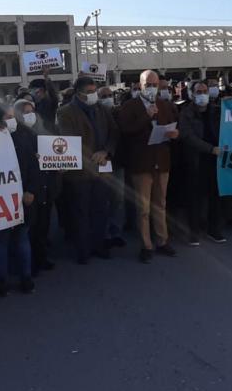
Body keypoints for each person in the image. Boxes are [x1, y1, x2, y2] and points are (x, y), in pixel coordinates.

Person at [118, 69, 180, 264]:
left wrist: (174, 134)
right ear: (140, 86)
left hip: (161, 162)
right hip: (141, 164)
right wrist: (146, 116)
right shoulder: (129, 107)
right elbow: (126, 131)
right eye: (148, 85)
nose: (152, 89)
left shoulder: (166, 106)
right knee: (143, 208)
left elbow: (173, 127)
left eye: (155, 85)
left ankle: (162, 240)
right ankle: (146, 244)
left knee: (160, 204)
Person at [58, 77, 119, 264]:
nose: (94, 95)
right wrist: (92, 156)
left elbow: (113, 132)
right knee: (81, 212)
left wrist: (106, 151)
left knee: (100, 209)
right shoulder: (65, 112)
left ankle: (99, 245)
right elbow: (68, 140)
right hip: (79, 173)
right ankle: (83, 250)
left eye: (95, 91)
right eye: (90, 92)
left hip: (102, 168)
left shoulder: (102, 109)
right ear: (79, 93)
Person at [0, 101, 36, 296]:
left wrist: (30, 190)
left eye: (13, 116)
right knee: (1, 241)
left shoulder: (25, 135)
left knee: (22, 238)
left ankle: (26, 278)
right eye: (7, 117)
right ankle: (2, 281)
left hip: (23, 197)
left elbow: (34, 165)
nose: (12, 120)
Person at [178, 81, 225, 245]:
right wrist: (210, 149)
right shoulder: (186, 113)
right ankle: (194, 231)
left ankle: (214, 230)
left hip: (216, 159)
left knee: (215, 196)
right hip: (196, 159)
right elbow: (187, 136)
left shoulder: (217, 110)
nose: (203, 94)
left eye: (205, 91)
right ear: (192, 94)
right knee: (195, 198)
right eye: (199, 91)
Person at [98, 86, 127, 249]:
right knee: (103, 200)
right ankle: (104, 234)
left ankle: (116, 232)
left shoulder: (119, 112)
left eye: (110, 95)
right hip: (100, 162)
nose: (108, 98)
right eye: (104, 96)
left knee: (118, 199)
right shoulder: (95, 113)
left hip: (117, 162)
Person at [28, 66, 59, 134]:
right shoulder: (34, 104)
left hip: (48, 135)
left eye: (31, 90)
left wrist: (46, 77)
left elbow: (52, 94)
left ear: (39, 90)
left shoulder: (49, 103)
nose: (30, 92)